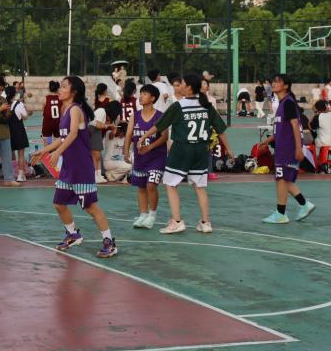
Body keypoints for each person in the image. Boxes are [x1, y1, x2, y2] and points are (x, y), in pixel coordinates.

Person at [30, 75, 118, 258]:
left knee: (91, 207)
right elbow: (62, 137)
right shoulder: (65, 110)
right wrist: (44, 151)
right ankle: (73, 234)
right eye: (61, 86)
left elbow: (72, 134)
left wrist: (57, 152)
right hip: (69, 168)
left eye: (64, 86)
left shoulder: (76, 109)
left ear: (74, 92)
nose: (60, 89)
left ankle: (109, 242)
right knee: (59, 203)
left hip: (81, 167)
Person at [141, 72, 233, 235]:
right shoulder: (206, 105)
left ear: (189, 88)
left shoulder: (179, 106)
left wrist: (144, 136)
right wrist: (230, 150)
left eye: (182, 84)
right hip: (201, 150)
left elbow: (160, 125)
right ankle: (205, 222)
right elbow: (220, 129)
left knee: (170, 184)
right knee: (200, 186)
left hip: (182, 149)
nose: (179, 86)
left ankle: (176, 221)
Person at [258, 75, 316, 223]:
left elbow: (295, 125)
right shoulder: (283, 103)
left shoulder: (288, 103)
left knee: (281, 179)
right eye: (273, 81)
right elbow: (282, 129)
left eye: (277, 81)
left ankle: (281, 214)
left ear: (286, 86)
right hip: (284, 147)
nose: (274, 83)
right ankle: (304, 204)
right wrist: (267, 141)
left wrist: (298, 148)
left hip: (288, 148)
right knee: (284, 179)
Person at [123, 84, 168, 229]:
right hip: (140, 158)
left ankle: (152, 215)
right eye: (140, 93)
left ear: (153, 98)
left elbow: (165, 136)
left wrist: (150, 146)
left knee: (151, 185)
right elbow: (129, 135)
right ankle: (143, 215)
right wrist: (125, 151)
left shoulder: (160, 116)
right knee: (141, 187)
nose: (141, 96)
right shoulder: (135, 116)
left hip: (156, 157)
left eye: (145, 94)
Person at [6, 85, 33, 183]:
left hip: (8, 131)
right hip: (19, 130)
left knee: (8, 154)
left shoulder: (4, 104)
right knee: (21, 154)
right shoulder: (19, 104)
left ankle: (10, 174)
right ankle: (20, 175)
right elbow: (25, 116)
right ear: (15, 93)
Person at [41, 80, 61, 145]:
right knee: (57, 141)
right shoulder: (60, 98)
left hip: (48, 123)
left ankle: (49, 149)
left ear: (49, 88)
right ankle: (56, 151)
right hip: (58, 123)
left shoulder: (45, 98)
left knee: (48, 142)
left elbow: (43, 110)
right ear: (58, 89)